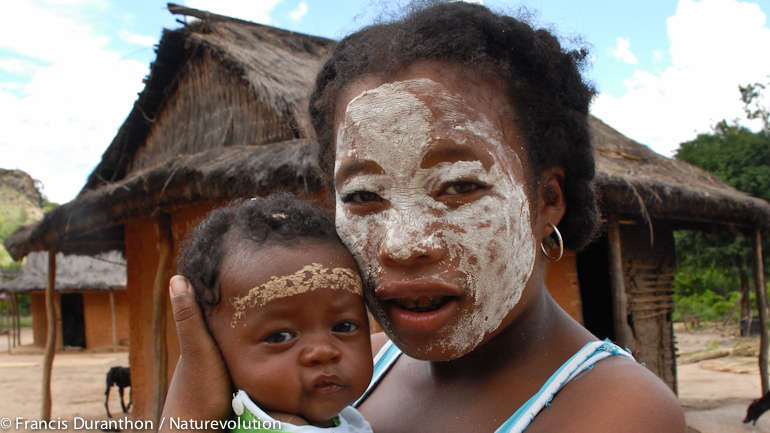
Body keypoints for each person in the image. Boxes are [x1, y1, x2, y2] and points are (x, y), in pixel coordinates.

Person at [163, 3, 686, 432]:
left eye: (459, 186)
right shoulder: (343, 369)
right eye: (365, 196)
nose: (403, 243)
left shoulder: (617, 412)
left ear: (545, 198)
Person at [174, 194, 374, 432]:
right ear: (214, 351)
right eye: (279, 337)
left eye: (344, 327)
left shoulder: (346, 419)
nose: (322, 352)